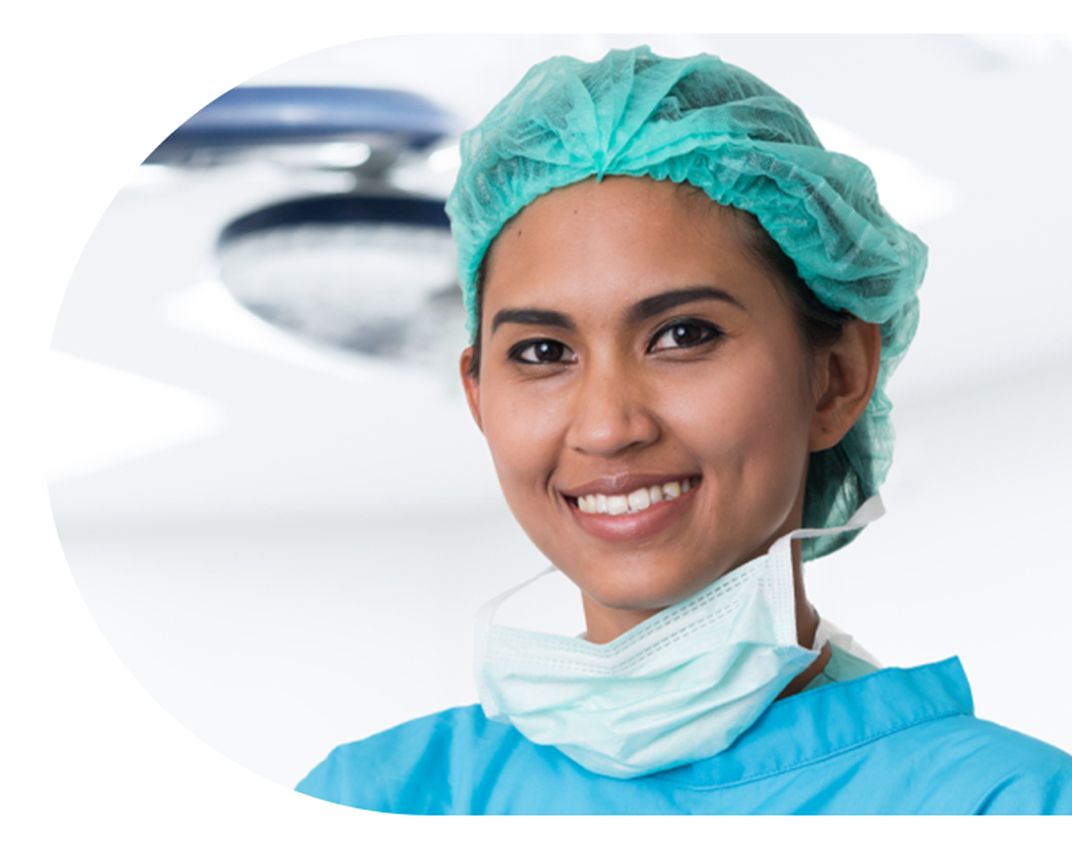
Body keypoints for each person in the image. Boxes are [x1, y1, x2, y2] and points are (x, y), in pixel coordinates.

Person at [295, 46, 1072, 814]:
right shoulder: (375, 803)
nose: (607, 426)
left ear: (835, 376)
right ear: (477, 394)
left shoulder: (1002, 806)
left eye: (683, 335)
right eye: (542, 351)